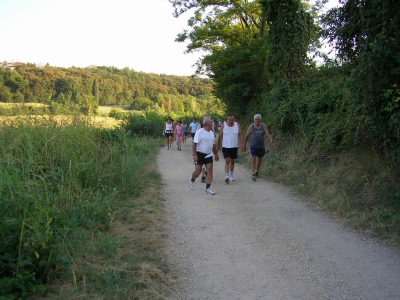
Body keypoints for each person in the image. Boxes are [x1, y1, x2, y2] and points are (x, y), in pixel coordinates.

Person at [189, 119, 219, 195]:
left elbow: (213, 145)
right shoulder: (200, 132)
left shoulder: (212, 133)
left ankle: (208, 188)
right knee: (198, 172)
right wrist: (195, 155)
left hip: (209, 154)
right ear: (207, 125)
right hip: (199, 154)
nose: (212, 126)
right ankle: (192, 180)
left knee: (210, 170)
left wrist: (216, 154)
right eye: (211, 124)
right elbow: (194, 144)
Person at [242, 114, 273, 181]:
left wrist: (270, 139)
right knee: (253, 159)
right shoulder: (251, 126)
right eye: (256, 119)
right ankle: (253, 174)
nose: (257, 121)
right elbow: (247, 135)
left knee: (259, 160)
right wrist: (244, 144)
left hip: (261, 146)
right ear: (254, 120)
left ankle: (256, 172)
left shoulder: (263, 126)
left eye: (258, 119)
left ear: (260, 120)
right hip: (253, 146)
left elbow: (267, 133)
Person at [217, 113, 243, 183]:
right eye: (229, 120)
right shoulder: (223, 126)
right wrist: (218, 145)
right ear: (227, 119)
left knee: (232, 161)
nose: (231, 121)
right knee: (227, 160)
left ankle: (231, 174)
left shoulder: (237, 125)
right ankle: (226, 176)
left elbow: (240, 134)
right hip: (226, 146)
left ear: (234, 119)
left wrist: (242, 144)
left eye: (232, 120)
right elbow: (220, 136)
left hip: (234, 146)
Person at [197, 114, 216, 183]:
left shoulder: (211, 126)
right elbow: (197, 137)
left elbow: (214, 135)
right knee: (202, 165)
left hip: (209, 148)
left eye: (209, 119)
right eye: (206, 119)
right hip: (201, 149)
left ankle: (209, 175)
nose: (208, 120)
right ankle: (203, 176)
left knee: (209, 163)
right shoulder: (200, 126)